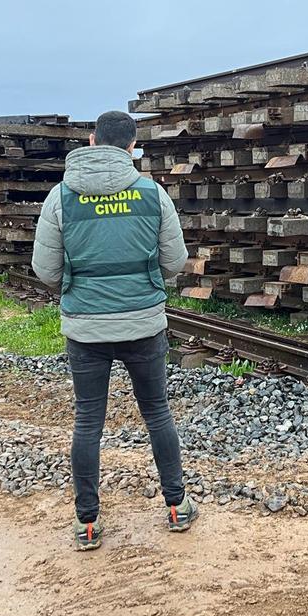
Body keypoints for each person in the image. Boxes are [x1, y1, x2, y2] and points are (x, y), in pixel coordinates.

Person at [31, 110, 193, 551]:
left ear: (90, 141)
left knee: (88, 420)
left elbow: (44, 269)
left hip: (85, 328)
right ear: (131, 146)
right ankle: (176, 506)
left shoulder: (60, 198)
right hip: (143, 323)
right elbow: (175, 262)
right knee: (157, 412)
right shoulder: (151, 194)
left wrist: (77, 282)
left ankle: (87, 523)